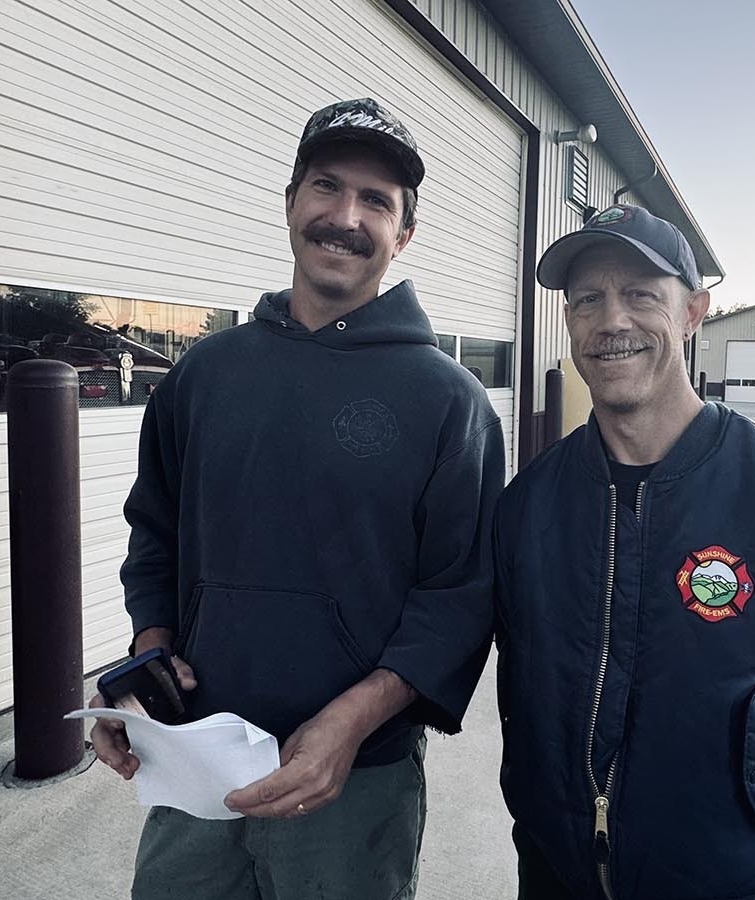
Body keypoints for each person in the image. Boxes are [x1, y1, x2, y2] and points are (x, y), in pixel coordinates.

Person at [88, 98, 505, 900]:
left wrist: (348, 725)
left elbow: (459, 595)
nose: (345, 217)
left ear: (404, 235)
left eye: (376, 202)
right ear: (290, 203)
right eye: (326, 186)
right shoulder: (204, 376)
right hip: (194, 760)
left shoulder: (449, 403)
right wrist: (148, 668)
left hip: (355, 787)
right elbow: (156, 537)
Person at [493, 204, 755, 899]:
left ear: (693, 312)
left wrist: (754, 817)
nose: (611, 320)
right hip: (554, 870)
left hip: (720, 878)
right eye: (587, 299)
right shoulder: (529, 504)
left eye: (640, 295)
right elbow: (521, 681)